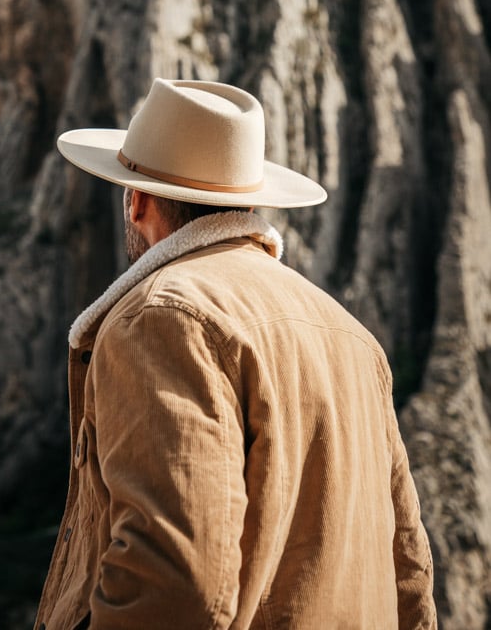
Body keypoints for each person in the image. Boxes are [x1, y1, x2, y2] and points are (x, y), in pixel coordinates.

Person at [33, 78, 436, 630]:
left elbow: (172, 584)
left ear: (136, 199)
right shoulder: (354, 339)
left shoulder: (159, 318)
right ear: (247, 200)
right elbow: (409, 568)